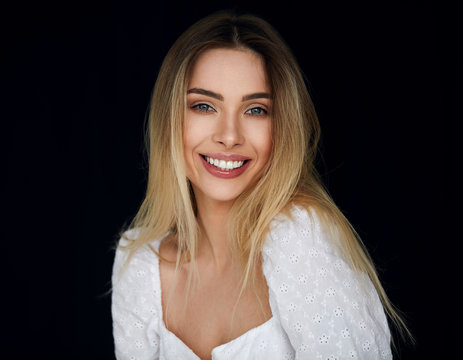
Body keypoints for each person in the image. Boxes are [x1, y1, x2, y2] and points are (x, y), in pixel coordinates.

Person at [111, 10, 410, 360]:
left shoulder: (300, 239)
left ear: (281, 127)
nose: (229, 137)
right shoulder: (140, 265)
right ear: (169, 119)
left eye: (255, 110)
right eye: (204, 106)